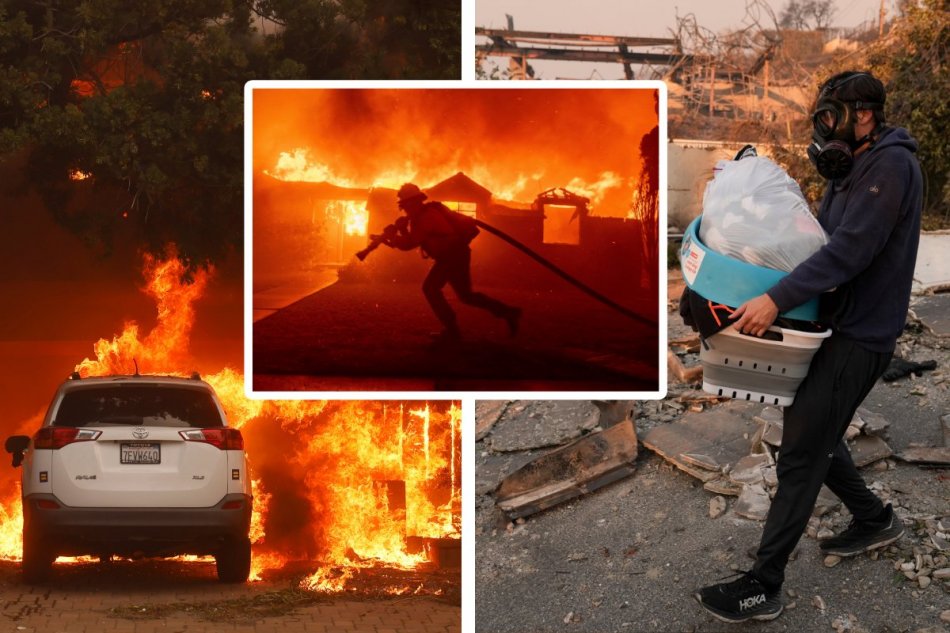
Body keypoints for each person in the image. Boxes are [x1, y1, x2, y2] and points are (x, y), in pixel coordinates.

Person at [695, 71, 923, 623]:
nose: (823, 131)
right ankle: (873, 519)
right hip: (832, 325)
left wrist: (775, 300)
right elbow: (812, 244)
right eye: (819, 120)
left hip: (861, 335)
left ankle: (764, 584)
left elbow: (847, 253)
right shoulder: (849, 171)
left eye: (829, 118)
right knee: (813, 432)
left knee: (801, 448)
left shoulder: (890, 166)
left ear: (863, 114)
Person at [377, 183, 521, 342]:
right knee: (466, 296)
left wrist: (392, 236)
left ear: (416, 202)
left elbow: (409, 244)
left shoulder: (427, 216)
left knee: (430, 288)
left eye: (406, 205)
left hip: (452, 256)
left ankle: (452, 331)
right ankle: (508, 312)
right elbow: (410, 241)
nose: (405, 209)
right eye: (403, 206)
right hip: (454, 255)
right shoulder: (419, 217)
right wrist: (401, 231)